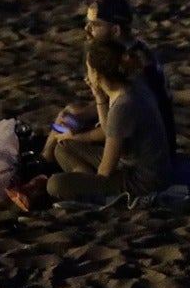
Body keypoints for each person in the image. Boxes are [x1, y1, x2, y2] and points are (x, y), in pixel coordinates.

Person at [44, 0, 177, 166]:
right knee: (71, 112)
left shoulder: (134, 65)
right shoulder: (130, 51)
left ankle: (49, 167)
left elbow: (121, 119)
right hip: (132, 126)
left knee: (66, 141)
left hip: (145, 148)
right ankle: (43, 160)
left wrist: (78, 135)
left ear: (116, 30)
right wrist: (84, 113)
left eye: (95, 25)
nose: (88, 30)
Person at [40, 38, 171, 204]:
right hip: (132, 166)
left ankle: (87, 189)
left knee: (55, 184)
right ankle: (84, 182)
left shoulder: (124, 106)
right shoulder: (131, 85)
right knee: (63, 148)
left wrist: (93, 182)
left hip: (142, 181)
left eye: (88, 69)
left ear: (95, 74)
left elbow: (105, 170)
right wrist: (99, 98)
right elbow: (109, 130)